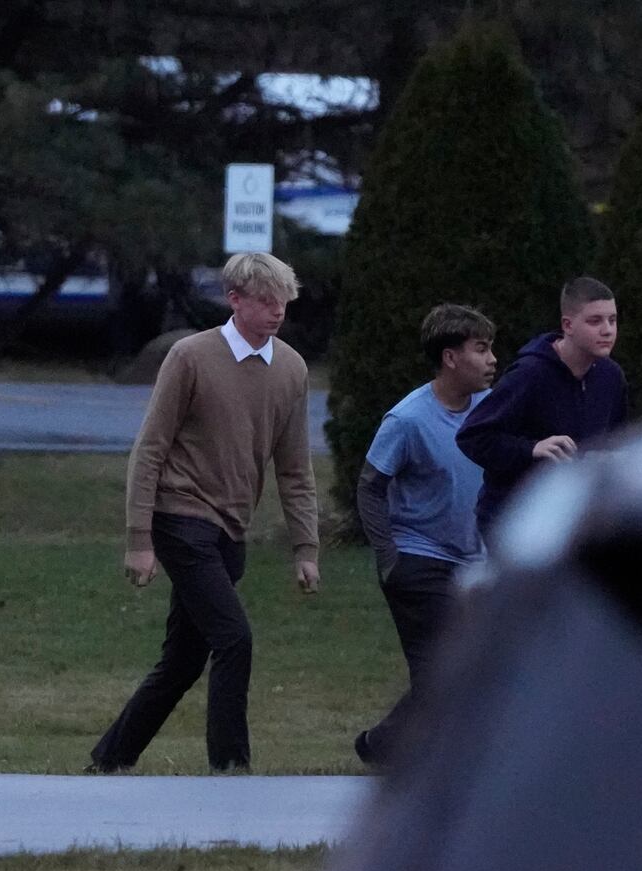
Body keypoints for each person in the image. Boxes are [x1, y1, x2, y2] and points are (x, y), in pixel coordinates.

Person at [88, 253, 319, 774]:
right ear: (234, 300)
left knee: (182, 661)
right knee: (234, 638)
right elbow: (149, 448)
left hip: (231, 528)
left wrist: (306, 548)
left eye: (282, 301)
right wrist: (139, 539)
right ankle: (231, 767)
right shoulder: (191, 356)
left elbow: (295, 468)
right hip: (181, 515)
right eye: (264, 300)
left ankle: (110, 760)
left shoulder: (291, 369)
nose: (276, 311)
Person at [353, 304, 497, 766]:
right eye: (481, 348)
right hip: (419, 559)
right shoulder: (408, 420)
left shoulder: (490, 408)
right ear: (450, 358)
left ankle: (383, 745)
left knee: (466, 666)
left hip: (474, 561)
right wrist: (389, 558)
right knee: (442, 669)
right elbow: (369, 487)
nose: (493, 358)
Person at [456, 277, 628, 537]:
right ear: (567, 325)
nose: (607, 330)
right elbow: (473, 436)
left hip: (574, 520)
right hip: (514, 519)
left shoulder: (611, 377)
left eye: (612, 320)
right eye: (595, 321)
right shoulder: (529, 374)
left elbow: (615, 441)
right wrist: (531, 449)